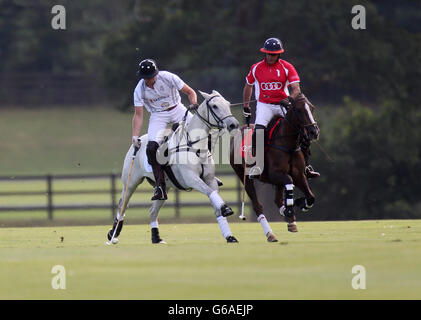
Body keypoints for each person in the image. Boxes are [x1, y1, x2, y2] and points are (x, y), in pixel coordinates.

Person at [243, 37, 320, 179]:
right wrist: (246, 105)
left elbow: (296, 88)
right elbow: (248, 85)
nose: (270, 56)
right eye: (268, 53)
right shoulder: (256, 68)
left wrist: (289, 99)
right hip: (264, 105)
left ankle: (306, 166)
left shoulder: (287, 67)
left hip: (282, 104)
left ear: (279, 54)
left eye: (273, 54)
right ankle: (258, 166)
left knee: (303, 130)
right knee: (258, 131)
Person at [132, 59, 198, 200]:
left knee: (201, 133)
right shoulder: (139, 89)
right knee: (151, 148)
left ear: (156, 74)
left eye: (151, 76)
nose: (149, 80)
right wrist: (135, 136)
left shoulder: (168, 77)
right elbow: (138, 114)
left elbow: (190, 92)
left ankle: (208, 174)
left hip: (177, 109)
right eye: (146, 78)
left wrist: (193, 104)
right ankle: (160, 187)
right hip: (158, 115)